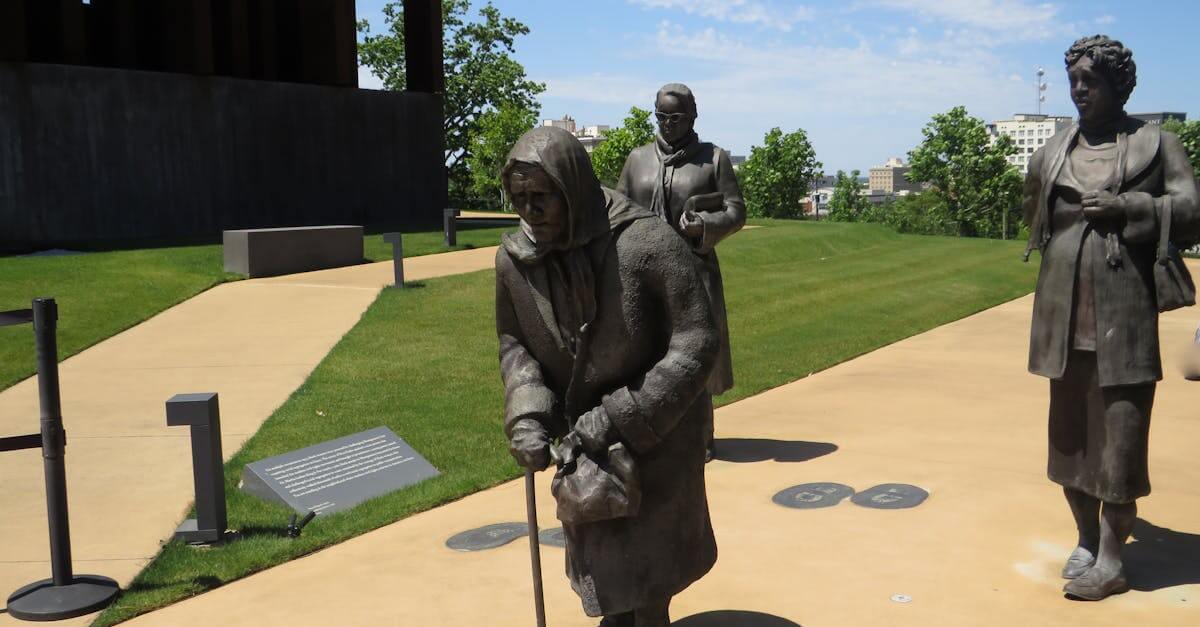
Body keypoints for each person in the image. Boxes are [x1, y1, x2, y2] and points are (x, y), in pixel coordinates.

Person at [496, 126, 720, 626]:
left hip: (658, 434)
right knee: (609, 580)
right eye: (520, 198)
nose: (530, 211)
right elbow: (516, 346)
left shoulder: (646, 242)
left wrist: (620, 415)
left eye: (541, 197)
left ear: (571, 187)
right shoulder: (515, 260)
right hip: (588, 452)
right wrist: (528, 413)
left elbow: (698, 340)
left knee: (651, 581)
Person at [1023, 35, 1200, 601]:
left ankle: (1113, 557)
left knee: (1120, 439)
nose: (1078, 91)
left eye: (1089, 81)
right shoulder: (1052, 150)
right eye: (1074, 79)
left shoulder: (1158, 143)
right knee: (1070, 438)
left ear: (1118, 84)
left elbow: (1193, 210)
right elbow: (1037, 213)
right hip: (1061, 313)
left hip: (1124, 315)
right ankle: (1083, 536)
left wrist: (1131, 208)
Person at [616, 83, 745, 461]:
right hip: (643, 274)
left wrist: (704, 224)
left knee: (694, 355)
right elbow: (618, 208)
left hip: (693, 271)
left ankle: (700, 435)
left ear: (692, 117)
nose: (668, 124)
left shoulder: (713, 159)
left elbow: (736, 211)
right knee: (644, 356)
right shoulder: (637, 160)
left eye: (677, 118)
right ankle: (649, 434)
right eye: (662, 117)